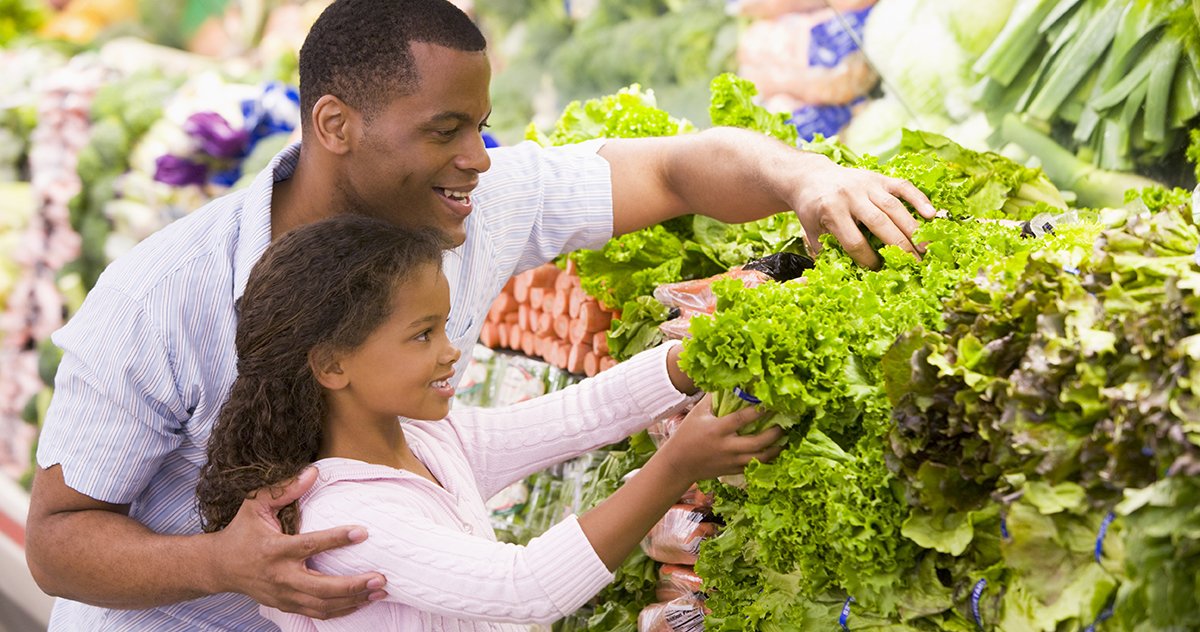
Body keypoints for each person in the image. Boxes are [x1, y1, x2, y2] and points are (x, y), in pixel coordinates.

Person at [25, 0, 936, 629]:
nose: (480, 159)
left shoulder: (462, 215)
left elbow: (673, 167)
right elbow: (58, 542)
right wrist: (220, 564)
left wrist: (807, 178)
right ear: (335, 125)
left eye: (481, 124)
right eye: (444, 130)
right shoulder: (161, 297)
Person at [195, 215, 782, 630]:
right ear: (332, 364)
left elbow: (582, 413)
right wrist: (676, 464)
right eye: (422, 334)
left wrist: (692, 359)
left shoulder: (427, 441)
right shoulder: (345, 517)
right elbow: (527, 587)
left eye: (445, 326)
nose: (450, 351)